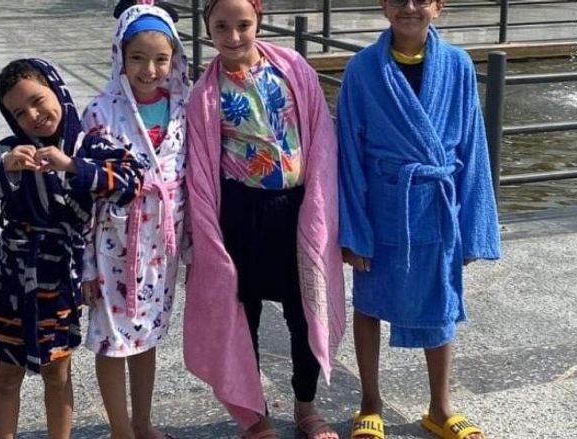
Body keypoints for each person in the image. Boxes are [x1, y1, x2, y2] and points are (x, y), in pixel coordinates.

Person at [0, 58, 144, 439]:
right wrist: (2, 168)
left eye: (38, 100)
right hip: (12, 276)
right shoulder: (8, 151)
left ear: (57, 90)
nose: (34, 116)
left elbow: (132, 179)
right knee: (7, 374)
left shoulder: (90, 146)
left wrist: (73, 166)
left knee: (57, 373)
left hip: (59, 278)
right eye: (19, 113)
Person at [336, 1, 501, 438]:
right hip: (382, 205)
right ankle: (370, 402)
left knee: (441, 300)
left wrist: (473, 229)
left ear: (438, 7)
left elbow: (473, 147)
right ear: (383, 5)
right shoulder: (362, 69)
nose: (410, 7)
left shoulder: (458, 65)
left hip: (437, 206)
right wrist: (353, 229)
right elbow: (348, 152)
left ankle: (440, 407)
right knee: (369, 301)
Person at [182, 1, 345, 438]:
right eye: (222, 26)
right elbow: (199, 168)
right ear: (207, 28)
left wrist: (324, 204)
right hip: (239, 212)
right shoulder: (204, 94)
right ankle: (256, 414)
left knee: (305, 310)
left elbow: (321, 135)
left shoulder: (292, 68)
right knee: (242, 316)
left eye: (243, 25)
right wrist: (204, 234)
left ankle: (306, 405)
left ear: (259, 21)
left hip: (296, 208)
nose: (233, 36)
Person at [79, 1, 190, 438]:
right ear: (120, 57)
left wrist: (195, 247)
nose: (149, 70)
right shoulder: (101, 111)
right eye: (138, 58)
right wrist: (86, 265)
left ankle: (143, 424)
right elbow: (84, 195)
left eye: (161, 59)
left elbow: (193, 179)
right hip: (113, 245)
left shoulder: (182, 108)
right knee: (111, 341)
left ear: (174, 59)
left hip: (161, 247)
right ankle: (121, 430)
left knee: (147, 334)